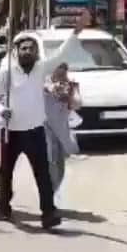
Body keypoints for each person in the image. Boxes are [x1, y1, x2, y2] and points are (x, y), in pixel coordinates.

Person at [0, 9, 88, 229]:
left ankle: (48, 213)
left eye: (31, 48)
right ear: (16, 51)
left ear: (36, 53)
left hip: (35, 132)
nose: (27, 51)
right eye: (23, 48)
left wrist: (76, 32)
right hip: (11, 132)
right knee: (6, 173)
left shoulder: (42, 68)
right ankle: (4, 204)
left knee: (42, 174)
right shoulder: (7, 72)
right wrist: (1, 109)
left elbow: (61, 55)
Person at [43, 62, 80, 207]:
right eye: (59, 69)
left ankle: (54, 190)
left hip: (62, 130)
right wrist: (51, 88)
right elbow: (43, 89)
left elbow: (78, 103)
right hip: (45, 128)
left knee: (60, 165)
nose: (62, 73)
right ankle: (48, 196)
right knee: (49, 162)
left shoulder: (71, 85)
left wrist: (70, 96)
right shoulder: (44, 82)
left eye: (65, 70)